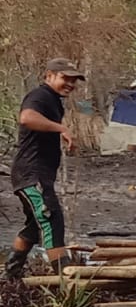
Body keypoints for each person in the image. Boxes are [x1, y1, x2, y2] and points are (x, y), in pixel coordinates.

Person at [5, 59, 85, 280]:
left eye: (73, 80)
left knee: (33, 228)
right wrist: (61, 128)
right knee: (52, 220)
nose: (70, 84)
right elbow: (27, 118)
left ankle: (11, 277)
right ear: (49, 75)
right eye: (65, 78)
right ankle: (65, 282)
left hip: (35, 174)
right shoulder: (40, 96)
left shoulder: (53, 100)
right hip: (32, 175)